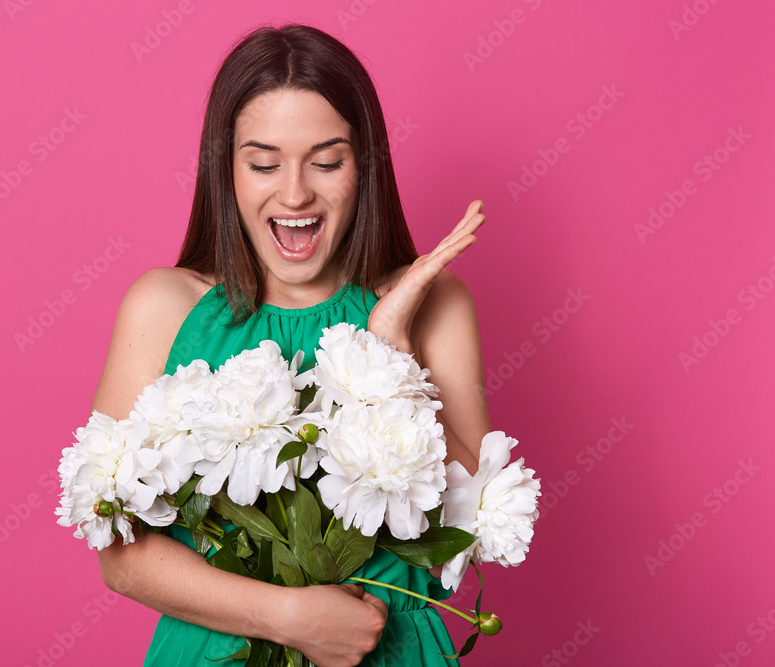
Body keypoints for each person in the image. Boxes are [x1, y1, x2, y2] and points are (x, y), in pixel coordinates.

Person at [91, 23, 489, 667]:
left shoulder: (434, 306)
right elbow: (119, 553)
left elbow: (471, 523)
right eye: (264, 163)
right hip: (217, 653)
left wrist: (391, 348)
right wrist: (289, 618)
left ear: (366, 168)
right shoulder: (165, 307)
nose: (296, 192)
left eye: (327, 161)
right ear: (226, 172)